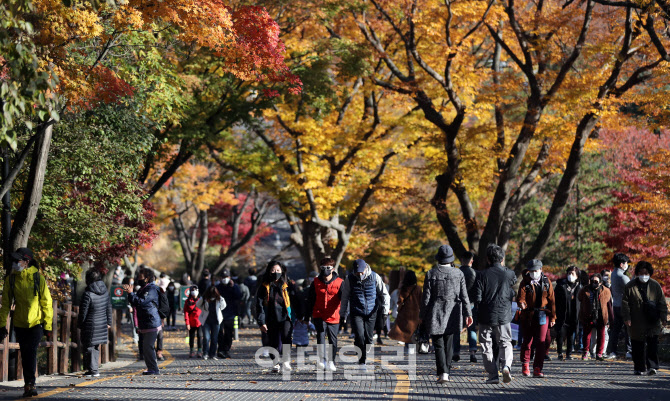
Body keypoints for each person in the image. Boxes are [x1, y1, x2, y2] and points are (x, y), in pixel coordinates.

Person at [0, 248, 54, 397]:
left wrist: (48, 326)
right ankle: (28, 384)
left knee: (30, 351)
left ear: (26, 261)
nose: (15, 263)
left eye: (18, 260)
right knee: (25, 353)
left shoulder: (38, 278)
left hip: (36, 323)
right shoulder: (11, 279)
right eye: (14, 260)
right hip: (20, 323)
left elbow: (46, 303)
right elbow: (5, 304)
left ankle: (31, 384)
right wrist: (1, 324)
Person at [421, 245, 473, 383]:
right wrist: (468, 314)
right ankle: (446, 372)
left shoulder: (431, 273)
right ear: (451, 259)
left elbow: (426, 298)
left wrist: (422, 315)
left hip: (435, 310)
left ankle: (442, 372)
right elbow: (464, 296)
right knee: (449, 342)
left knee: (438, 343)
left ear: (438, 258)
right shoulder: (458, 273)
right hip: (453, 311)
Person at [473, 243, 516, 384]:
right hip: (504, 314)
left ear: (487, 259)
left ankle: (492, 375)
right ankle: (506, 366)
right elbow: (512, 287)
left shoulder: (481, 275)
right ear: (502, 258)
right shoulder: (509, 273)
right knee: (505, 342)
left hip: (486, 315)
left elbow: (477, 298)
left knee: (486, 344)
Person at [340, 259, 390, 372]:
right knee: (359, 336)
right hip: (356, 311)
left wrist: (385, 311)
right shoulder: (350, 279)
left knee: (368, 338)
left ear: (366, 268)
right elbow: (345, 297)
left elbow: (384, 294)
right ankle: (362, 361)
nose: (360, 274)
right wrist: (342, 314)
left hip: (372, 311)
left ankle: (365, 347)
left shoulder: (374, 277)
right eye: (357, 272)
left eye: (361, 271)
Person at [622, 261, 668, 375]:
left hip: (652, 320)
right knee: (637, 345)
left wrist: (663, 317)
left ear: (650, 273)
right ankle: (639, 367)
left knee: (652, 344)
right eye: (641, 272)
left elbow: (661, 302)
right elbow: (625, 303)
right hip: (636, 321)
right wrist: (627, 317)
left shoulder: (655, 285)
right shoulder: (630, 286)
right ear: (637, 273)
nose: (644, 275)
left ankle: (652, 366)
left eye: (646, 273)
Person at [517, 260, 555, 378]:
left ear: (541, 270)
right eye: (531, 271)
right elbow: (520, 298)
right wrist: (522, 303)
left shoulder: (547, 282)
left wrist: (553, 317)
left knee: (541, 342)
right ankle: (526, 364)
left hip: (543, 314)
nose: (534, 273)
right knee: (527, 340)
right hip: (528, 315)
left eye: (536, 270)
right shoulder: (524, 282)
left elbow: (552, 301)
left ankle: (538, 368)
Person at [256, 260, 296, 373]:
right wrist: (261, 322)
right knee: (272, 341)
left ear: (282, 271)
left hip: (286, 316)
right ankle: (275, 363)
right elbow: (258, 305)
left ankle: (286, 361)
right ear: (269, 271)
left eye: (278, 270)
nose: (276, 272)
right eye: (273, 270)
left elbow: (295, 300)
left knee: (286, 337)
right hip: (271, 317)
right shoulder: (264, 286)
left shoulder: (288, 285)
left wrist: (301, 316)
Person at [305, 257, 343, 371]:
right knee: (320, 336)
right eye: (323, 268)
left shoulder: (340, 282)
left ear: (333, 268)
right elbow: (310, 299)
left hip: (334, 315)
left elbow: (344, 299)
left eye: (328, 268)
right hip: (319, 314)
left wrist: (345, 313)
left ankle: (331, 361)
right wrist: (307, 316)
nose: (325, 270)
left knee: (333, 339)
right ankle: (322, 360)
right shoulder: (315, 282)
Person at [124, 267, 162, 375]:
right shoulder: (143, 288)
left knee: (148, 346)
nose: (138, 279)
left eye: (140, 277)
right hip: (145, 322)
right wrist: (130, 294)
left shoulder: (151, 289)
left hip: (151, 322)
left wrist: (131, 293)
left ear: (147, 278)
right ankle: (151, 368)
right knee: (146, 347)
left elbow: (140, 302)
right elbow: (135, 302)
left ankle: (154, 369)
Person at [78, 268, 112, 377]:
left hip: (90, 324)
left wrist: (80, 324)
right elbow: (108, 307)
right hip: (102, 323)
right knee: (96, 346)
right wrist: (109, 322)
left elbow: (83, 312)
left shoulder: (88, 294)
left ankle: (93, 370)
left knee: (89, 346)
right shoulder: (105, 291)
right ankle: (94, 369)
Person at [578, 273, 613, 361]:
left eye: (596, 281)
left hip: (601, 315)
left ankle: (599, 353)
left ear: (600, 282)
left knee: (601, 335)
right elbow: (580, 298)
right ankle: (586, 352)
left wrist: (610, 319)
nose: (594, 283)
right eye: (592, 281)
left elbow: (609, 305)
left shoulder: (606, 291)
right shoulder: (585, 290)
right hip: (588, 314)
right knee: (587, 334)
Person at [389, 271, 422, 355]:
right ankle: (413, 347)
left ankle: (408, 347)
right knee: (413, 331)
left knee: (406, 331)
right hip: (415, 313)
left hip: (405, 312)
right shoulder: (417, 288)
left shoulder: (403, 289)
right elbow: (421, 301)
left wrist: (399, 309)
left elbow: (400, 301)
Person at [453, 251, 479, 363]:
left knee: (457, 329)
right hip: (472, 304)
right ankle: (472, 353)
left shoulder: (456, 273)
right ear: (472, 261)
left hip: (458, 304)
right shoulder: (476, 274)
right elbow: (478, 291)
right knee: (472, 329)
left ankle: (456, 353)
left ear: (461, 260)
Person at [606, 253, 632, 359]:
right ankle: (629, 351)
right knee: (628, 329)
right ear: (621, 264)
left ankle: (612, 351)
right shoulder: (623, 277)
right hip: (625, 307)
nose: (627, 265)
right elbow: (632, 292)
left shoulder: (613, 274)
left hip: (616, 305)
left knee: (615, 329)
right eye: (626, 263)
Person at [555, 266, 582, 360]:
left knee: (571, 335)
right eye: (569, 273)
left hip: (574, 314)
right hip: (562, 313)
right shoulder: (561, 285)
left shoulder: (579, 286)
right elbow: (555, 300)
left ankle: (569, 353)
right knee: (561, 334)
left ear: (577, 276)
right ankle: (559, 353)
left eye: (572, 274)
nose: (570, 275)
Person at [216, 269, 242, 359]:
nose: (225, 279)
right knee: (219, 332)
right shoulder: (218, 287)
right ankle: (220, 349)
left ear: (230, 277)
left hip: (230, 313)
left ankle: (226, 350)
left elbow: (239, 296)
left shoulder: (234, 286)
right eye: (223, 277)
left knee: (228, 333)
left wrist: (233, 287)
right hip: (219, 313)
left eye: (226, 277)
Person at [197, 285, 226, 360]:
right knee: (206, 338)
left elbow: (223, 306)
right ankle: (205, 353)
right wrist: (204, 310)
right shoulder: (204, 299)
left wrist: (221, 299)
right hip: (206, 321)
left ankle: (212, 354)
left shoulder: (219, 299)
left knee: (214, 338)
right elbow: (198, 305)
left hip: (216, 321)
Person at [184, 285, 203, 358]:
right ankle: (191, 350)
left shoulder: (201, 300)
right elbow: (186, 313)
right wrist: (187, 323)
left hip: (200, 322)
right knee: (191, 337)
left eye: (195, 290)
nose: (194, 291)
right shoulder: (188, 301)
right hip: (191, 322)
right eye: (192, 290)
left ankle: (199, 350)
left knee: (200, 336)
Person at [374, 274, 391, 345]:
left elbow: (386, 297)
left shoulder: (386, 286)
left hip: (381, 305)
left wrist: (387, 308)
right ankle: (378, 336)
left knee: (382, 322)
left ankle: (381, 335)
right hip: (377, 305)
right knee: (379, 322)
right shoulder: (374, 286)